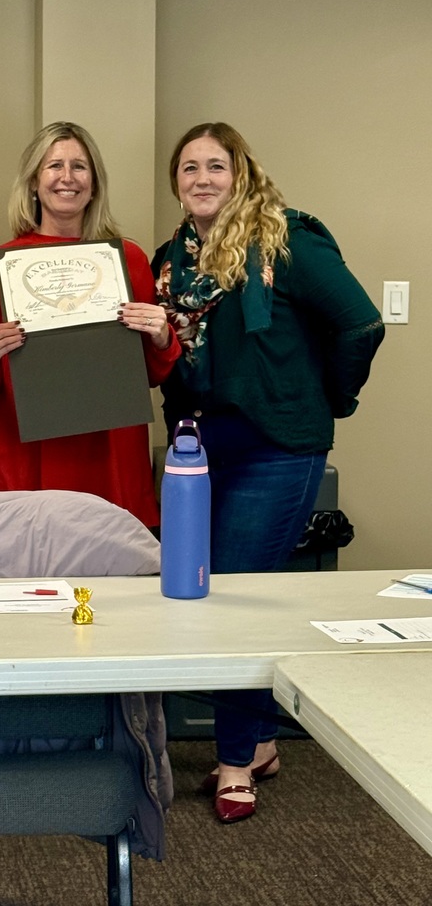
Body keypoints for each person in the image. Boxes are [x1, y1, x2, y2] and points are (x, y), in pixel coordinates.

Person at [152, 122, 384, 823]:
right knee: (198, 594)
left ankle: (232, 764)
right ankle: (257, 744)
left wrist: (330, 399)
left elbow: (359, 324)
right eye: (188, 167)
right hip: (197, 445)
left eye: (215, 165)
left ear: (241, 172)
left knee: (233, 596)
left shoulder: (287, 239)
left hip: (278, 445)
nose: (202, 178)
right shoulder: (172, 259)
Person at [0, 121, 180, 527]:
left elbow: (149, 375)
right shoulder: (0, 264)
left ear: (95, 183)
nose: (67, 178)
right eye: (54, 166)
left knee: (115, 585)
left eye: (80, 167)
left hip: (110, 454)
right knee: (32, 585)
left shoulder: (130, 259)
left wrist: (162, 337)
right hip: (31, 454)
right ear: (33, 181)